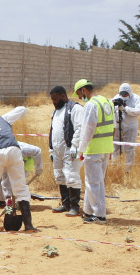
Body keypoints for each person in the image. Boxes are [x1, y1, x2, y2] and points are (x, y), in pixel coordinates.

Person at [73, 79, 115, 224]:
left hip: (94, 149)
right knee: (96, 182)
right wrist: (110, 149)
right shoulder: (107, 102)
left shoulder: (91, 105)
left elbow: (88, 129)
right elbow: (113, 127)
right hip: (106, 148)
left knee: (93, 183)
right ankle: (88, 211)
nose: (79, 97)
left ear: (84, 90)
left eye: (79, 93)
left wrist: (81, 150)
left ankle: (99, 214)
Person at [47, 86, 85, 216]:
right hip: (57, 151)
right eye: (52, 100)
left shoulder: (75, 109)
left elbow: (80, 129)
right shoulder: (56, 111)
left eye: (55, 99)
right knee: (60, 176)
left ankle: (75, 206)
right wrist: (51, 149)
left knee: (72, 176)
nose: (54, 102)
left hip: (71, 150)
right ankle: (65, 204)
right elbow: (53, 130)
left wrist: (75, 146)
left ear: (63, 96)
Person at [112, 82, 140, 173]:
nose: (123, 96)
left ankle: (128, 171)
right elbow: (110, 109)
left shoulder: (136, 99)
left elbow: (138, 111)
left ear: (129, 93)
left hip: (130, 127)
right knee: (115, 149)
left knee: (129, 149)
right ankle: (115, 169)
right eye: (122, 94)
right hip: (118, 127)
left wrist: (125, 108)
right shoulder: (116, 98)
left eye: (125, 94)